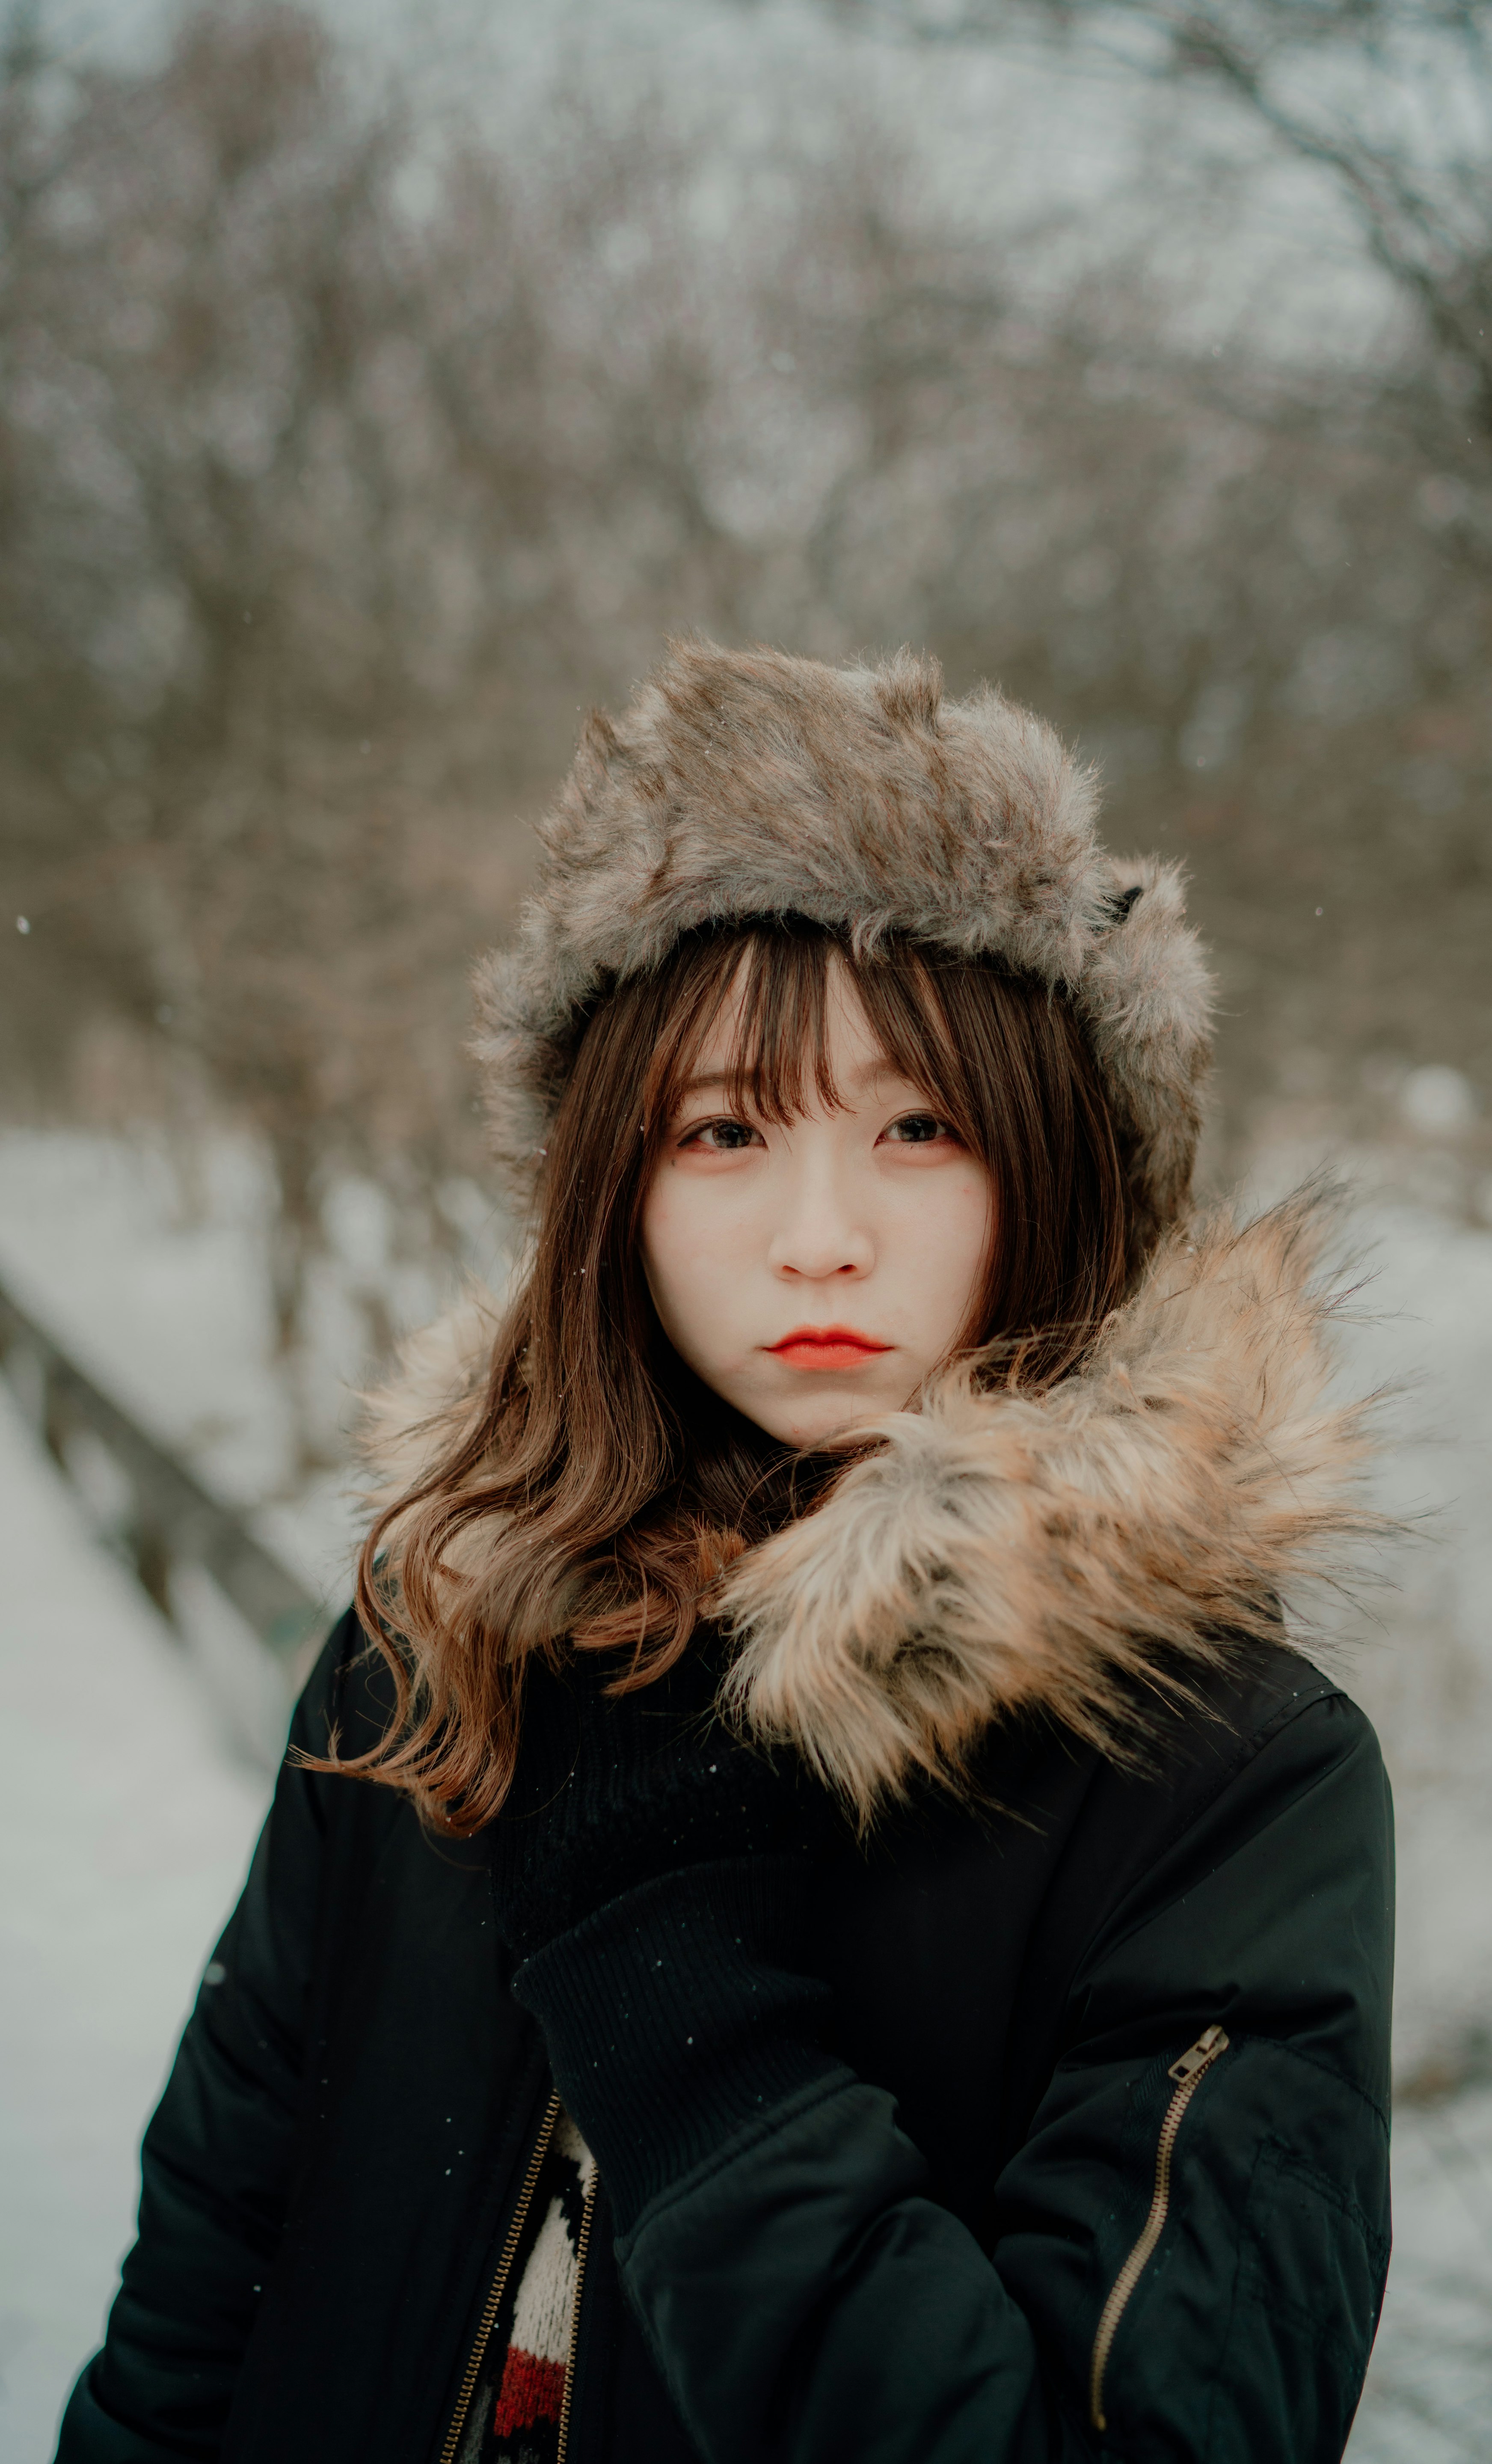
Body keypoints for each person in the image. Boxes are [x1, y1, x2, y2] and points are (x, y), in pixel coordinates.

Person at [56, 642, 1394, 2464]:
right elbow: (209, 2265)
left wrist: (692, 2023)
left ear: (1056, 1163)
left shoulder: (1229, 1776)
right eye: (726, 1129)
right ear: (618, 1178)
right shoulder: (439, 1615)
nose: (819, 1238)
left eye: (919, 1127)